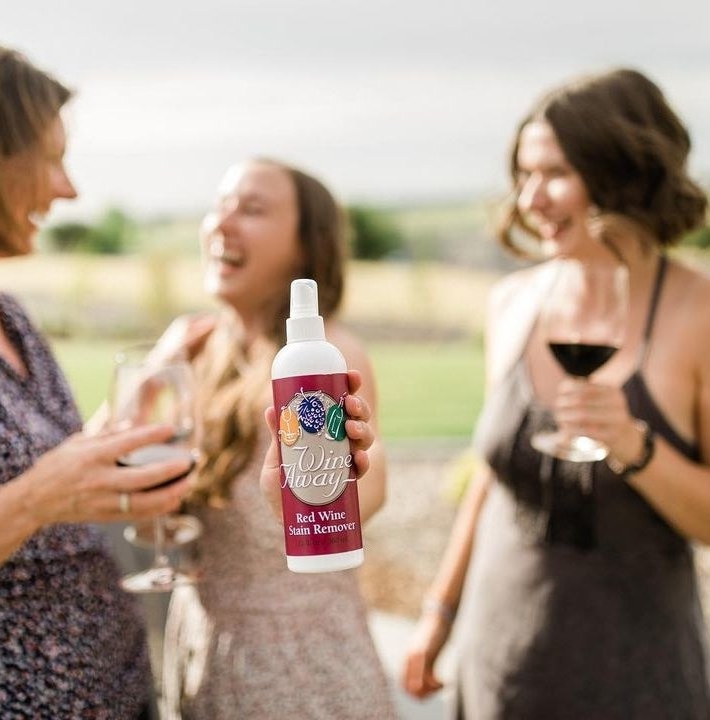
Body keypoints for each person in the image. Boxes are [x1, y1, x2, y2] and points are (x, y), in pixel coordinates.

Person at [401, 68, 710, 718]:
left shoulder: (699, 314)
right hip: (502, 660)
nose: (530, 197)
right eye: (523, 173)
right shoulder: (513, 302)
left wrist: (634, 446)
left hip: (636, 677)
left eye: (556, 173)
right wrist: (440, 611)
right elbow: (487, 479)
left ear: (623, 172)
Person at [0, 41, 200, 719]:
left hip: (115, 689)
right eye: (51, 159)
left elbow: (45, 471)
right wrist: (36, 499)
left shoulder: (7, 314)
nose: (69, 189)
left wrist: (149, 389)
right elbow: (38, 491)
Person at [156, 158, 397, 719]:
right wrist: (152, 375)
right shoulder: (198, 350)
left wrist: (350, 485)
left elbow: (370, 480)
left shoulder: (329, 359)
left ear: (304, 247)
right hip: (202, 653)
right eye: (221, 205)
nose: (224, 222)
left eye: (253, 208)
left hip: (300, 673)